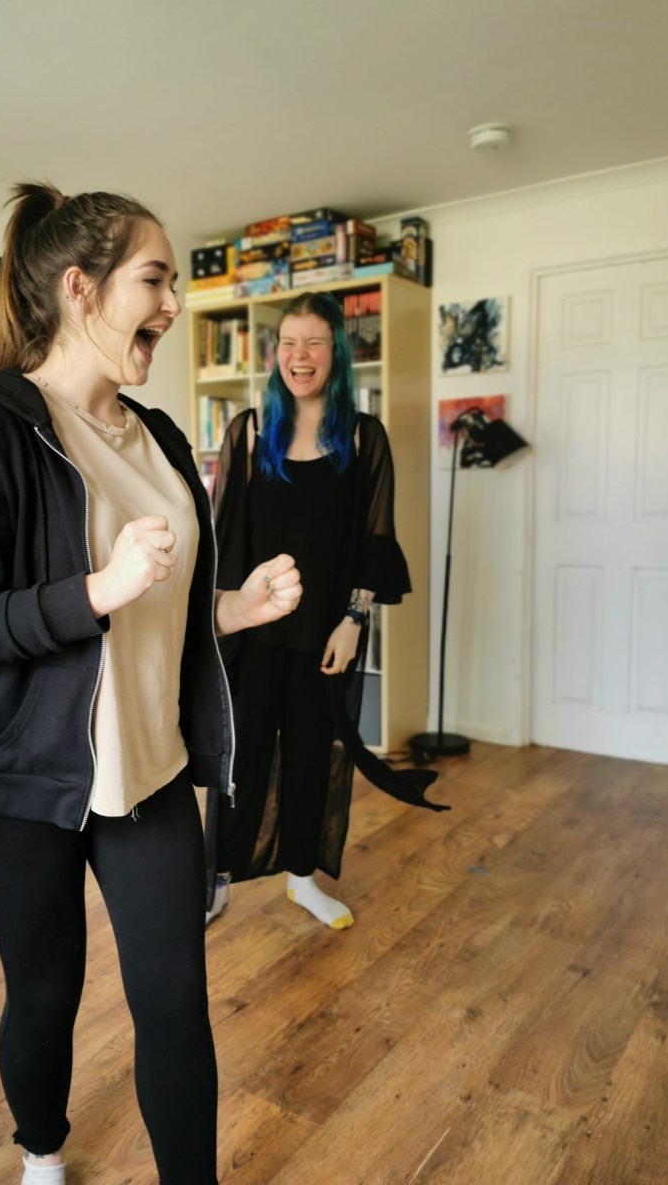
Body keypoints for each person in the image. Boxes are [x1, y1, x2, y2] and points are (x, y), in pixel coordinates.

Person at [0, 183, 302, 1185]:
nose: (172, 304)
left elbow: (154, 612)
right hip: (20, 786)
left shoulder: (162, 438)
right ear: (81, 290)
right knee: (45, 992)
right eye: (156, 279)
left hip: (151, 773)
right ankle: (42, 1155)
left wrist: (233, 608)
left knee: (174, 997)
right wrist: (98, 585)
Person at [205, 291, 446, 930]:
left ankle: (302, 878)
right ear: (274, 352)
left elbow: (375, 541)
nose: (299, 356)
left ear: (336, 353)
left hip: (326, 636)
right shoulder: (248, 431)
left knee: (314, 753)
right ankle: (217, 876)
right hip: (252, 633)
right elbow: (225, 540)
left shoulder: (364, 438)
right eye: (288, 342)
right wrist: (221, 620)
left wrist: (354, 618)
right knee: (244, 754)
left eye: (314, 342)